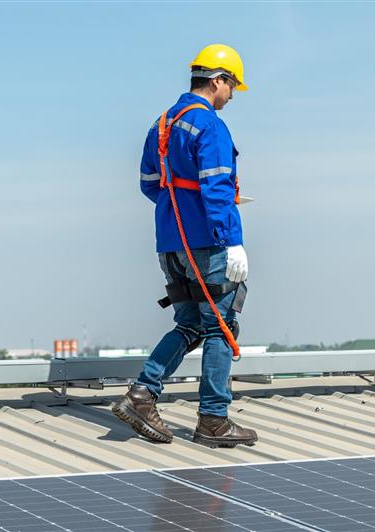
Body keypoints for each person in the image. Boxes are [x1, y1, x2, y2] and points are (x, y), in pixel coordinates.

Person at [112, 44, 258, 448]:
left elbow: (149, 184)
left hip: (169, 243)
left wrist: (179, 211)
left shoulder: (161, 123)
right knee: (221, 326)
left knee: (190, 323)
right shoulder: (209, 125)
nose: (231, 96)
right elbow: (216, 187)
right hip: (206, 244)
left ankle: (142, 395)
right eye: (231, 87)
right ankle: (213, 419)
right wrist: (233, 241)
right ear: (217, 81)